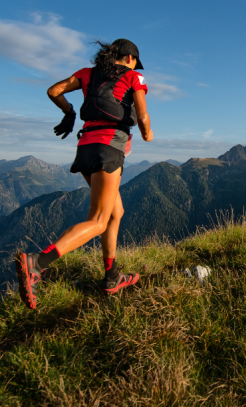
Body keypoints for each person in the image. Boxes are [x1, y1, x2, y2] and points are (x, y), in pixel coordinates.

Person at [16, 39, 153, 310]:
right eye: (136, 61)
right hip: (108, 148)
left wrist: (68, 112)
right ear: (129, 58)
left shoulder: (86, 73)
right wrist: (147, 134)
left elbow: (53, 90)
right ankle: (36, 264)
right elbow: (143, 114)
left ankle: (112, 276)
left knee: (116, 212)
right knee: (99, 220)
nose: (136, 65)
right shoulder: (134, 76)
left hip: (85, 148)